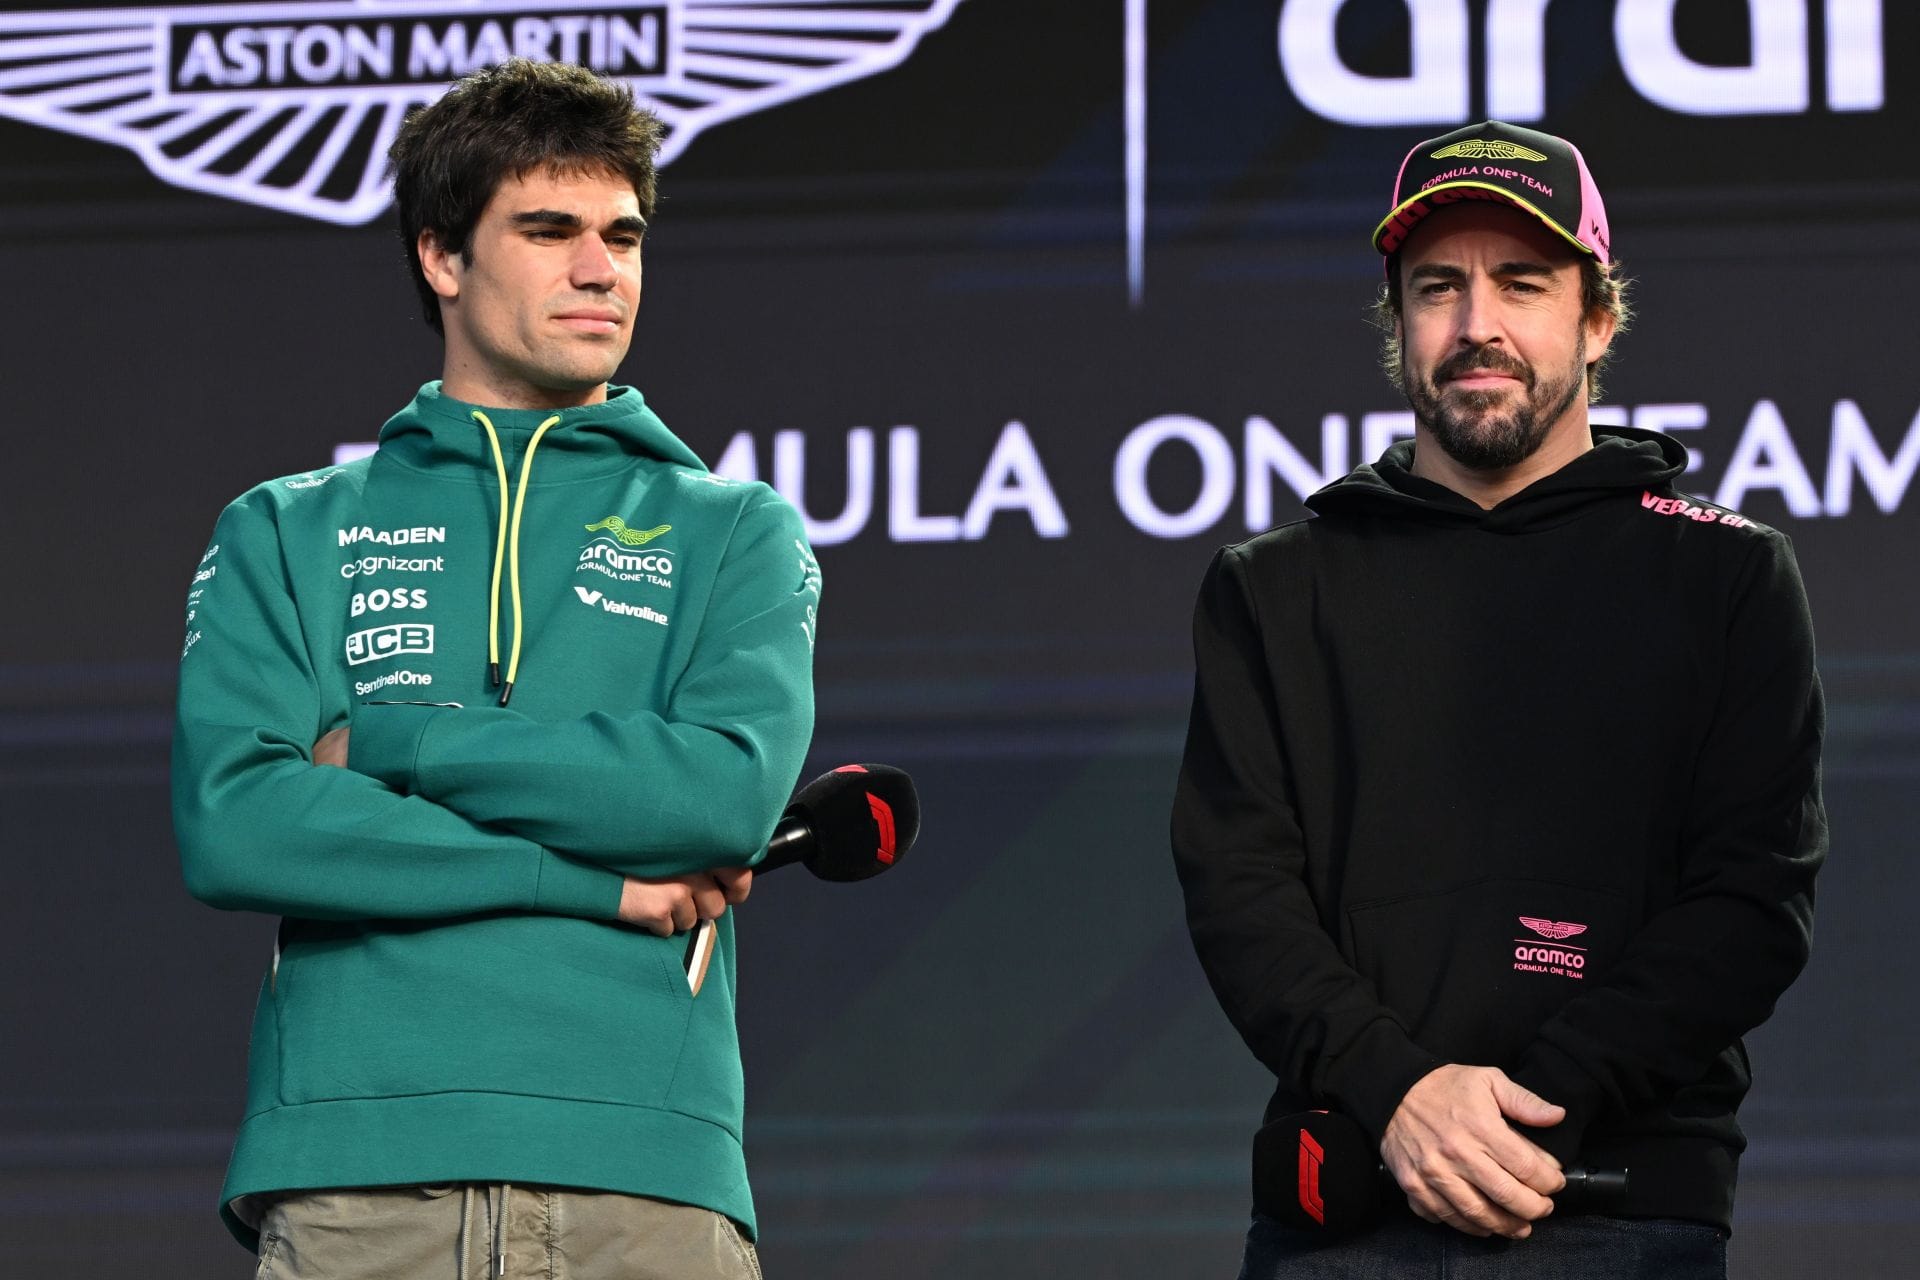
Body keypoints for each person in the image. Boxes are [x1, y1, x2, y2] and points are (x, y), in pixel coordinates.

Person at [173, 58, 820, 1277]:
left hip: (644, 1179)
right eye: (549, 230)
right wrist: (593, 882)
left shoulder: (734, 528)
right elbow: (239, 825)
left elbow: (717, 797)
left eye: (622, 235)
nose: (601, 268)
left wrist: (392, 742)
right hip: (357, 1172)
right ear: (441, 255)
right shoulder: (286, 526)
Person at [1170, 120, 1825, 1279]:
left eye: (1522, 282)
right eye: (1439, 287)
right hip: (1343, 1210)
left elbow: (1752, 899)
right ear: (1398, 325)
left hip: (1624, 1210)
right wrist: (1400, 1092)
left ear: (1598, 318)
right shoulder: (1271, 588)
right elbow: (1240, 893)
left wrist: (1533, 1105)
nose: (1478, 323)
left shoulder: (1726, 574)